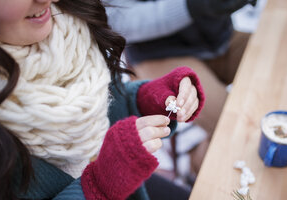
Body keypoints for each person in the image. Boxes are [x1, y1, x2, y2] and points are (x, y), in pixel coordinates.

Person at [0, 0, 205, 200]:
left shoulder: (68, 26)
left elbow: (99, 111)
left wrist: (147, 99)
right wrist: (99, 190)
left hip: (112, 176)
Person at [105, 0, 256, 173]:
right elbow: (116, 20)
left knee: (278, 65)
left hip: (217, 37)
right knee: (237, 129)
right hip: (158, 52)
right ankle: (197, 165)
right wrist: (191, 6)